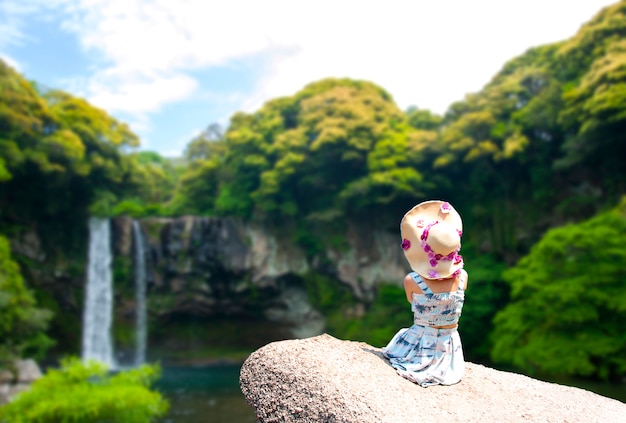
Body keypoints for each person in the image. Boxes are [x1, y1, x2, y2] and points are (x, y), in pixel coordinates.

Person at [382, 200, 468, 387]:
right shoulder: (463, 277)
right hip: (450, 346)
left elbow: (411, 301)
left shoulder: (412, 281)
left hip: (420, 343)